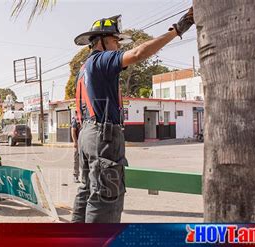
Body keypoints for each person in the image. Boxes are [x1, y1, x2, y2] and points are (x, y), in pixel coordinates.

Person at [71, 9, 194, 223]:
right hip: (103, 136)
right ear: (101, 41)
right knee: (105, 198)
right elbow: (138, 54)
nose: (118, 46)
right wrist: (176, 30)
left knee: (88, 190)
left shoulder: (84, 68)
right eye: (115, 40)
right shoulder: (101, 60)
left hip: (87, 136)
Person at [71, 115, 81, 183]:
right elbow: (73, 131)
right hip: (78, 142)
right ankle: (75, 176)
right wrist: (75, 142)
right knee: (76, 160)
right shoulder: (76, 119)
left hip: (86, 142)